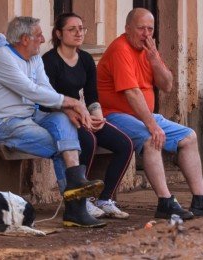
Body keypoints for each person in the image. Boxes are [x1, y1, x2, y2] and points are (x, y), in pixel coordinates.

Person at [97, 8, 203, 219]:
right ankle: (165, 202)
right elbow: (132, 93)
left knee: (188, 137)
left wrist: (154, 59)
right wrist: (152, 125)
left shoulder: (148, 50)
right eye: (141, 28)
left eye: (150, 29)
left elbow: (167, 85)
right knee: (152, 138)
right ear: (127, 29)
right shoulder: (120, 49)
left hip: (141, 115)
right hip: (115, 115)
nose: (146, 34)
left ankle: (201, 199)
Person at [0, 16, 105, 228]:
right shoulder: (1, 58)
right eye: (38, 36)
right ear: (24, 39)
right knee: (61, 146)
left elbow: (47, 90)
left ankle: (76, 185)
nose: (43, 39)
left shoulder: (34, 58)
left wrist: (67, 109)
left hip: (29, 117)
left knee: (64, 121)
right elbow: (31, 90)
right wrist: (74, 102)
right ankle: (76, 207)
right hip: (0, 123)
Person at [42, 13, 135, 219]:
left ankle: (105, 199)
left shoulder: (85, 58)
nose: (78, 33)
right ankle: (81, 201)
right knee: (88, 141)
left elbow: (92, 94)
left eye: (82, 28)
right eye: (72, 29)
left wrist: (97, 116)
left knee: (124, 144)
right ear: (59, 33)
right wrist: (72, 113)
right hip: (59, 115)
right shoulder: (49, 61)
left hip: (83, 114)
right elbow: (46, 99)